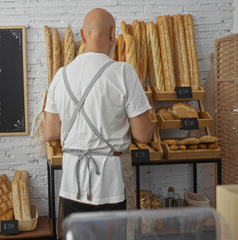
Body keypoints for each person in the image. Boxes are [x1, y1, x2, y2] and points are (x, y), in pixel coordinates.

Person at [43, 8, 153, 218]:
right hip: (111, 186)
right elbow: (144, 135)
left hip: (72, 185)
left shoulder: (60, 76)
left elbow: (50, 133)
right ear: (113, 33)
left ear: (82, 36)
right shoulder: (123, 72)